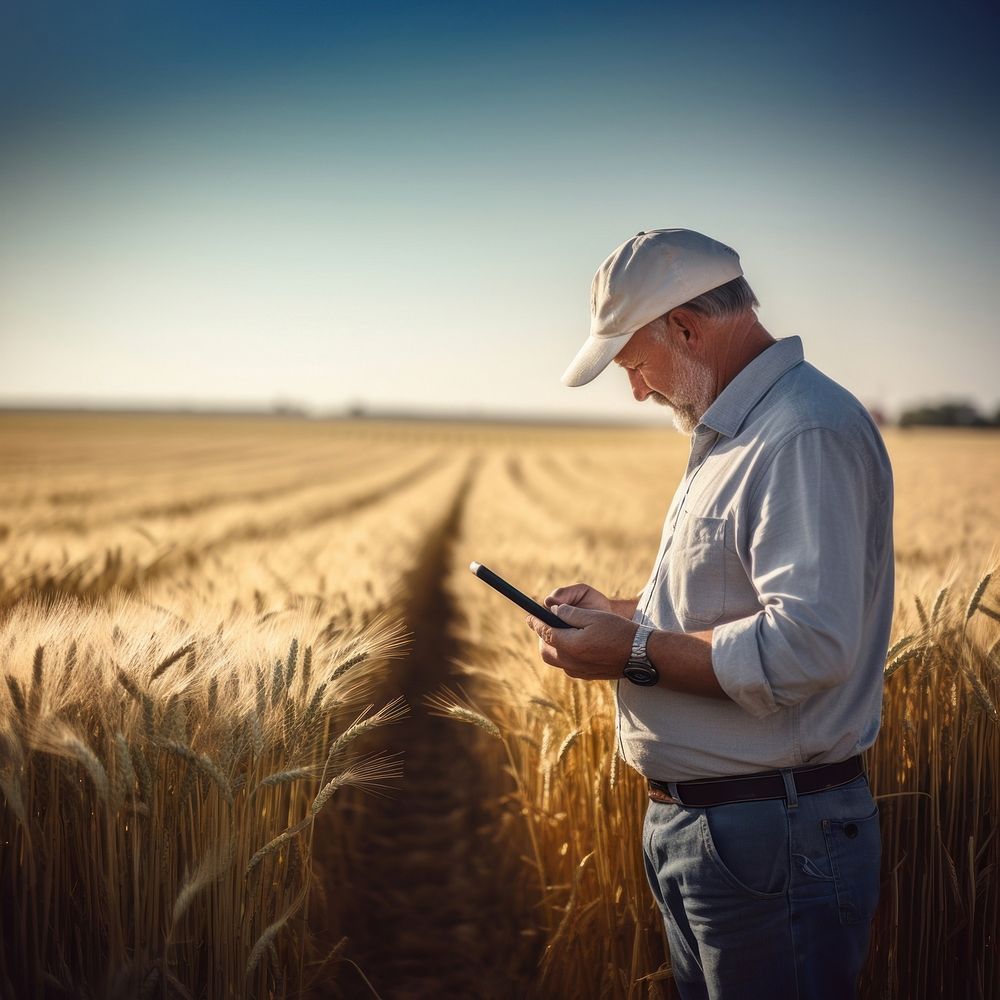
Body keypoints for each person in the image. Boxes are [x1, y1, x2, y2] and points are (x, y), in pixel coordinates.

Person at [525, 229, 894, 1000]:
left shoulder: (802, 432)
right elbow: (727, 604)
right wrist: (622, 616)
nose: (637, 391)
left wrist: (630, 651)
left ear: (686, 327)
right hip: (724, 836)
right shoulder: (741, 432)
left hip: (772, 839)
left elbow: (809, 644)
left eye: (634, 365)